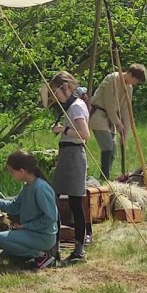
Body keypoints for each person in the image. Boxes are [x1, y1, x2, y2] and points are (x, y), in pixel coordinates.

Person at [0, 150, 59, 269]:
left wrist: (26, 226)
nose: (11, 174)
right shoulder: (28, 186)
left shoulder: (40, 188)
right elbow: (13, 206)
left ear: (22, 171)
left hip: (42, 237)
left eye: (12, 171)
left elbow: (51, 218)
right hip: (30, 233)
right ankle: (28, 253)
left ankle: (43, 255)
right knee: (4, 255)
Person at [49, 70, 91, 263]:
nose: (55, 97)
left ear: (66, 87)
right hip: (68, 155)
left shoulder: (75, 107)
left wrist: (62, 129)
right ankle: (54, 246)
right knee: (54, 199)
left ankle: (78, 250)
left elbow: (84, 134)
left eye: (56, 92)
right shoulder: (73, 106)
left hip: (74, 156)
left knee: (74, 203)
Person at [87, 63, 147, 179]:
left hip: (111, 120)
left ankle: (105, 177)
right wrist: (118, 123)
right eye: (136, 80)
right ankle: (105, 178)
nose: (135, 83)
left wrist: (125, 132)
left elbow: (126, 110)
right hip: (99, 116)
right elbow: (109, 103)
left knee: (113, 151)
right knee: (108, 146)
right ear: (130, 74)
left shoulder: (129, 87)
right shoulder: (112, 79)